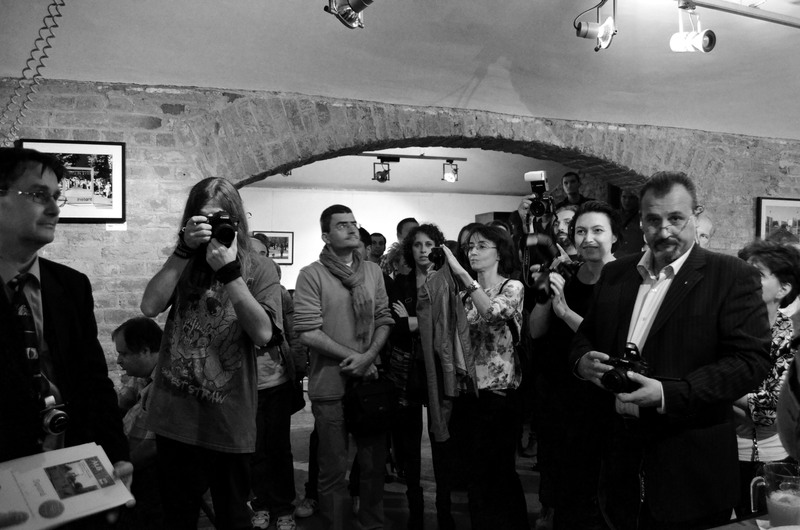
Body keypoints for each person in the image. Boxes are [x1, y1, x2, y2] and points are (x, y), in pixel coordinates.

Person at [570, 171, 772, 529]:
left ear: (695, 215)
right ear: (641, 221)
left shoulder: (731, 274)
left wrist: (668, 393)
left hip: (691, 469)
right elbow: (586, 335)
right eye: (653, 220)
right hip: (619, 461)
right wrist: (582, 361)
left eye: (676, 218)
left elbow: (750, 362)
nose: (664, 231)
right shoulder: (617, 273)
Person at [140, 177, 283, 530]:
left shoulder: (259, 267)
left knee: (233, 518)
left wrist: (230, 273)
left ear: (236, 220)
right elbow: (149, 306)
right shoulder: (184, 261)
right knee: (177, 518)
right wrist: (182, 250)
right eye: (204, 218)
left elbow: (263, 333)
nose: (213, 226)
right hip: (175, 415)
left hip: (229, 420)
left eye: (221, 218)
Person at [0, 147, 132, 520]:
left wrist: (117, 455)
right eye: (38, 194)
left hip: (71, 467)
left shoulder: (71, 285)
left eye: (56, 197)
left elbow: (93, 380)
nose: (54, 209)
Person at [293, 204, 394, 530]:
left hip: (369, 383)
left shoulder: (373, 272)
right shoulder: (311, 274)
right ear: (326, 236)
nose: (351, 228)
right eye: (341, 225)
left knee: (373, 464)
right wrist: (356, 357)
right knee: (333, 467)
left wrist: (369, 356)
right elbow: (308, 331)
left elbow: (384, 318)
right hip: (330, 383)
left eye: (353, 223)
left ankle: (372, 523)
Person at [529, 201, 620, 530]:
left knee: (600, 488)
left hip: (600, 394)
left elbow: (610, 342)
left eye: (597, 230)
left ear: (614, 236)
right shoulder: (566, 273)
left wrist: (565, 312)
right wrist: (546, 293)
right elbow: (536, 330)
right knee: (563, 480)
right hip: (559, 391)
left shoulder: (625, 279)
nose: (588, 238)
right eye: (581, 231)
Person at [441, 225, 529, 530]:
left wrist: (463, 276)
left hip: (500, 393)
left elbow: (492, 313)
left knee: (500, 471)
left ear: (499, 252)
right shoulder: (464, 297)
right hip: (470, 393)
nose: (473, 252)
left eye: (481, 246)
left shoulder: (512, 287)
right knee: (475, 473)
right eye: (469, 247)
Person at [387, 223, 451, 530]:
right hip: (407, 368)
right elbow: (395, 325)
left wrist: (413, 320)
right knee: (408, 443)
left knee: (442, 440)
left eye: (429, 244)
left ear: (438, 247)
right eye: (417, 245)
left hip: (440, 367)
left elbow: (447, 325)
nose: (423, 250)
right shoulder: (400, 282)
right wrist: (419, 322)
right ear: (409, 249)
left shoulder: (448, 280)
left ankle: (444, 509)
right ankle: (415, 505)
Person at [733, 240, 800, 518]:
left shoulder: (791, 338)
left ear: (783, 289)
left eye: (757, 274)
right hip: (719, 450)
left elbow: (771, 410)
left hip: (773, 458)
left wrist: (720, 393)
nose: (744, 279)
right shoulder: (725, 329)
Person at [114, 317, 164, 529]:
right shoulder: (142, 374)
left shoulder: (167, 383)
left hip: (153, 471)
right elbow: (122, 402)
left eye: (124, 354)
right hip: (131, 457)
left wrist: (118, 468)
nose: (118, 360)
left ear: (145, 351)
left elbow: (154, 446)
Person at [615, 188, 645, 257]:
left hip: (636, 258)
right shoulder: (614, 216)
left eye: (631, 198)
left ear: (638, 199)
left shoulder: (643, 217)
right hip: (616, 258)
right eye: (624, 197)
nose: (627, 201)